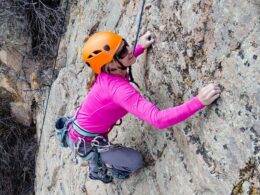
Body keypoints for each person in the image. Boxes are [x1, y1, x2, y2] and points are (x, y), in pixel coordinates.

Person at [66, 31, 221, 183]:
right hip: (86, 142)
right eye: (122, 52)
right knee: (135, 161)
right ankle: (101, 167)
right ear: (110, 65)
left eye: (125, 44)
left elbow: (119, 57)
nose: (128, 50)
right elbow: (158, 119)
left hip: (85, 129)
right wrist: (199, 101)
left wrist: (139, 47)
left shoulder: (108, 71)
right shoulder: (119, 90)